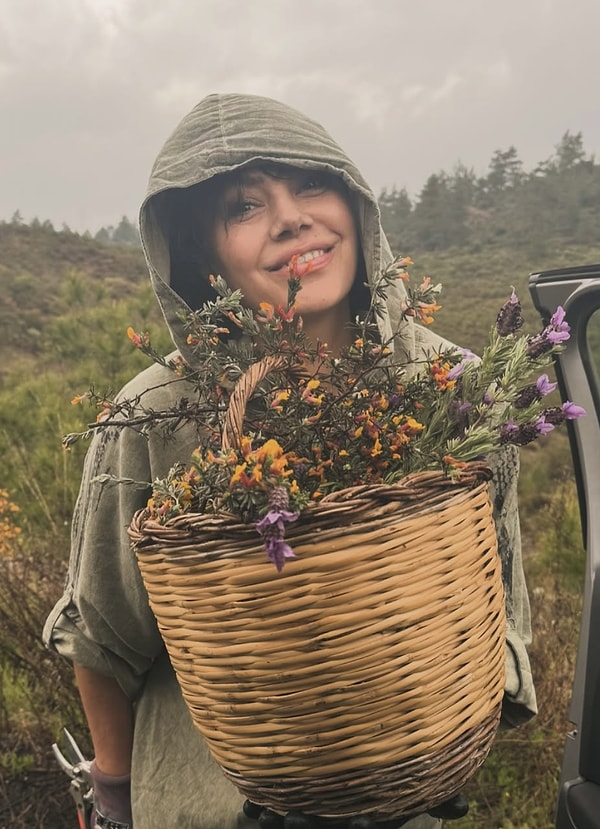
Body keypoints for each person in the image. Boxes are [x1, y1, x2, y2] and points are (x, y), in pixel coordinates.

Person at [43, 93, 537, 829]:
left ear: (352, 200)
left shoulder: (451, 390)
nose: (290, 217)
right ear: (204, 254)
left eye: (310, 184)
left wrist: (439, 719)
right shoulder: (152, 414)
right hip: (211, 808)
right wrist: (113, 801)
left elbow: (497, 607)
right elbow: (104, 638)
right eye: (244, 206)